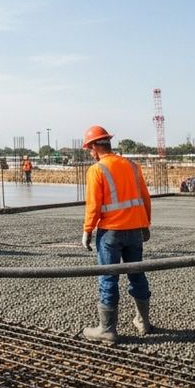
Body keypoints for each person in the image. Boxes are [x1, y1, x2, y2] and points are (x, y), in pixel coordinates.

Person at [79, 125, 154, 343]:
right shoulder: (131, 165)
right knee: (137, 274)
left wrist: (87, 230)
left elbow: (94, 205)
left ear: (94, 147)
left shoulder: (97, 170)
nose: (90, 153)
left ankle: (107, 329)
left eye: (89, 149)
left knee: (108, 277)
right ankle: (143, 322)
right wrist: (145, 224)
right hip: (135, 231)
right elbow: (145, 198)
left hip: (111, 233)